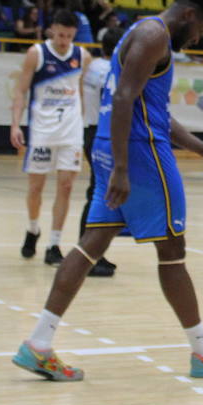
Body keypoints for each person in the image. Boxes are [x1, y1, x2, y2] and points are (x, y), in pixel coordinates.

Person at [13, 0, 203, 381]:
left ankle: (38, 344)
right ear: (190, 15)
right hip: (140, 154)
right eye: (202, 31)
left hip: (117, 145)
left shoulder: (140, 32)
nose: (198, 39)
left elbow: (150, 109)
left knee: (92, 243)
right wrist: (124, 168)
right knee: (172, 249)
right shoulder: (155, 35)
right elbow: (124, 97)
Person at [10, 10, 87, 266]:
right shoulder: (37, 54)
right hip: (42, 131)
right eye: (61, 34)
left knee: (66, 186)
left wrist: (84, 125)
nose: (64, 40)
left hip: (71, 131)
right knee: (36, 188)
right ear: (52, 29)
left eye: (69, 36)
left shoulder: (82, 56)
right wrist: (15, 125)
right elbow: (20, 91)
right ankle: (33, 229)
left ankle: (54, 244)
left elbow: (82, 94)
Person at [76, 25, 123, 278]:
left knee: (98, 191)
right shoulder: (111, 72)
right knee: (98, 194)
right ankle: (87, 254)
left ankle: (93, 253)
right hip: (103, 133)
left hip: (89, 130)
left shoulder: (92, 67)